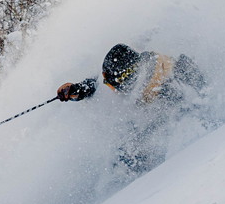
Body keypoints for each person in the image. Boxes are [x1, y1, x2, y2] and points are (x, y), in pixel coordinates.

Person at [55, 43, 208, 172]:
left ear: (125, 79)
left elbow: (196, 99)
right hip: (149, 125)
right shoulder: (133, 75)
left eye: (111, 83)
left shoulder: (165, 79)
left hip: (172, 130)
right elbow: (92, 86)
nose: (108, 86)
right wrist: (77, 89)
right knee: (125, 150)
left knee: (131, 150)